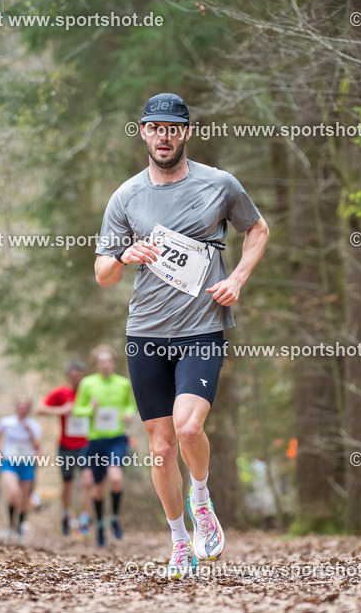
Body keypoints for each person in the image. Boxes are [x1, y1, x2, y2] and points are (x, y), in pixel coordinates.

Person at [94, 93, 269, 579]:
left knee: (189, 429)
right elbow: (102, 273)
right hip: (146, 331)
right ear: (143, 132)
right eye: (154, 128)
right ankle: (178, 542)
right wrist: (124, 257)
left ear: (186, 132)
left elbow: (257, 230)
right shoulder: (126, 197)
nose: (163, 136)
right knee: (161, 447)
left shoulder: (219, 185)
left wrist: (236, 278)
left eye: (173, 128)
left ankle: (202, 499)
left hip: (201, 328)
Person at [73, 345, 137, 547]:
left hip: (117, 438)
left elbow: (130, 405)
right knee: (98, 488)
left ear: (113, 362)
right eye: (101, 362)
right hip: (95, 441)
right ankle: (100, 524)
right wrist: (89, 409)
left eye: (108, 361)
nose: (105, 365)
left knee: (116, 478)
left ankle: (114, 518)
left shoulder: (123, 383)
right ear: (96, 364)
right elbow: (77, 410)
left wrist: (129, 413)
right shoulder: (88, 383)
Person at [38, 360, 94, 537]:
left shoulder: (90, 392)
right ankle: (65, 515)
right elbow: (40, 408)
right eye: (73, 375)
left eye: (79, 375)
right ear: (68, 376)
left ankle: (84, 520)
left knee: (88, 481)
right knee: (67, 484)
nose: (76, 378)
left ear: (83, 375)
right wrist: (61, 410)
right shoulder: (61, 392)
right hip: (66, 445)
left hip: (87, 444)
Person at [0, 400, 42, 541]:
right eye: (20, 407)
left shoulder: (33, 425)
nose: (22, 410)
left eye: (25, 408)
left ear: (28, 410)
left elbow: (37, 446)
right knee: (14, 493)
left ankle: (19, 528)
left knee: (25, 499)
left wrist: (30, 432)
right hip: (10, 462)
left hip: (27, 463)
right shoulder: (6, 422)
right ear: (16, 408)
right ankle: (10, 526)